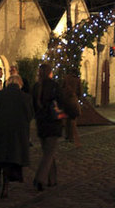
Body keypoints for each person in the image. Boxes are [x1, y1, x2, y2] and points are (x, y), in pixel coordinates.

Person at [0, 74, 34, 198]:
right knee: (9, 161)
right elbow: (29, 116)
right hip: (16, 135)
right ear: (20, 84)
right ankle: (5, 187)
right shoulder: (26, 98)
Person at [32, 63, 78, 191]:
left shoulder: (36, 87)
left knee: (48, 152)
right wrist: (72, 113)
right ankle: (40, 178)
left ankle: (52, 180)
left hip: (41, 124)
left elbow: (33, 106)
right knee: (49, 153)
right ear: (49, 73)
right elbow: (63, 102)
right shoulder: (54, 86)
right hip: (53, 123)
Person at [63, 71, 82, 147]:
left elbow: (62, 87)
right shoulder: (77, 79)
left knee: (67, 118)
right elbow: (80, 92)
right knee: (73, 120)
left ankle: (67, 135)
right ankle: (73, 137)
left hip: (66, 100)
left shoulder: (66, 78)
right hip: (73, 100)